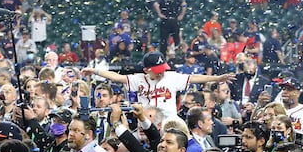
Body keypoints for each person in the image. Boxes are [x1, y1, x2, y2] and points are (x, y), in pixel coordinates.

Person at [82, 51, 231, 119]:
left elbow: (194, 78)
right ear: (147, 70)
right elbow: (117, 77)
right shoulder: (139, 79)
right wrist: (95, 70)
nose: (161, 73)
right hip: (146, 123)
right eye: (157, 70)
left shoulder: (171, 77)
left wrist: (217, 78)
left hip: (169, 123)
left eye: (162, 69)